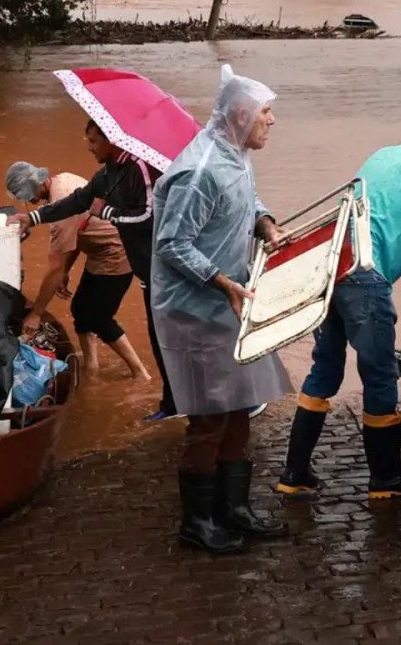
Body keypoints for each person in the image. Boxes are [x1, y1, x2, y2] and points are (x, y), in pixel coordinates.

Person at [276, 106, 401, 500]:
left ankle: (294, 472)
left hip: (333, 267)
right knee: (381, 375)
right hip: (366, 281)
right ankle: (386, 479)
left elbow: (372, 222)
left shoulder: (381, 156)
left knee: (326, 369)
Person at [151, 64, 293, 555]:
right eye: (266, 113)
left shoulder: (235, 154)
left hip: (229, 300)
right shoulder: (200, 169)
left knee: (240, 408)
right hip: (195, 309)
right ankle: (197, 522)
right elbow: (172, 243)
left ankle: (233, 509)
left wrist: (267, 225)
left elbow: (248, 199)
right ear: (240, 115)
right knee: (208, 417)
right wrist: (220, 281)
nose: (271, 121)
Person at [7, 119, 179, 419]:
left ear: (112, 140)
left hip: (130, 259)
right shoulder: (98, 175)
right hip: (124, 260)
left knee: (100, 317)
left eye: (93, 141)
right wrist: (33, 218)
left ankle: (149, 381)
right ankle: (97, 371)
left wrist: (36, 313)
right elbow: (78, 205)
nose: (88, 147)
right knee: (85, 311)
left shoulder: (137, 169)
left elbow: (146, 218)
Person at [5, 161, 150, 379]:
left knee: (100, 318)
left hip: (116, 255)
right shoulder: (63, 178)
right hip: (100, 252)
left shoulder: (60, 205)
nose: (29, 202)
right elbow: (77, 235)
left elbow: (54, 267)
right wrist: (66, 271)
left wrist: (36, 314)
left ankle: (140, 372)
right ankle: (92, 367)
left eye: (27, 196)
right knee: (80, 310)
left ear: (37, 186)